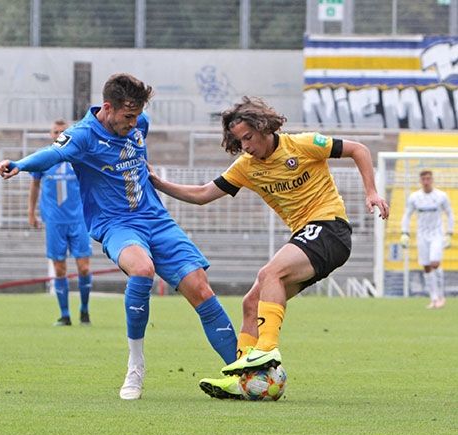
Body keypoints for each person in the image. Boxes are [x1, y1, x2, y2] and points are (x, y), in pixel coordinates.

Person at [0, 73, 237, 400]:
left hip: (156, 219)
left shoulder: (139, 124)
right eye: (127, 116)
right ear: (107, 108)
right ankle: (135, 365)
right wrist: (19, 165)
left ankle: (242, 371)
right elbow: (52, 153)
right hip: (116, 224)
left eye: (137, 115)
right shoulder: (82, 136)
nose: (134, 123)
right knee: (142, 270)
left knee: (200, 287)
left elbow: (138, 152)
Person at [148, 96, 390, 399]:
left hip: (330, 228)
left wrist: (371, 192)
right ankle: (242, 376)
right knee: (251, 303)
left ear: (263, 128)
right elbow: (202, 194)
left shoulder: (301, 145)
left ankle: (266, 349)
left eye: (248, 137)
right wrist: (158, 183)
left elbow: (359, 149)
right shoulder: (246, 167)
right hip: (306, 237)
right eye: (239, 141)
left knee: (270, 272)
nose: (246, 146)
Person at [28, 119, 93, 326]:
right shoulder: (45, 158)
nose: (58, 134)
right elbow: (35, 185)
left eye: (62, 131)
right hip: (54, 221)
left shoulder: (79, 156)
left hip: (78, 219)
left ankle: (84, 311)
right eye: (55, 131)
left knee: (83, 267)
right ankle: (65, 315)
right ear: (51, 135)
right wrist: (31, 212)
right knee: (59, 269)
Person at [400, 170, 453, 309]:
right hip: (422, 235)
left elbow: (449, 214)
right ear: (420, 180)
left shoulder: (441, 196)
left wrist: (449, 233)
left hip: (437, 234)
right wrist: (404, 232)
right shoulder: (414, 197)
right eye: (424, 179)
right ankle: (434, 298)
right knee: (426, 266)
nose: (426, 181)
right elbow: (407, 215)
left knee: (435, 263)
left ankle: (441, 296)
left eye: (428, 178)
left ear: (432, 180)